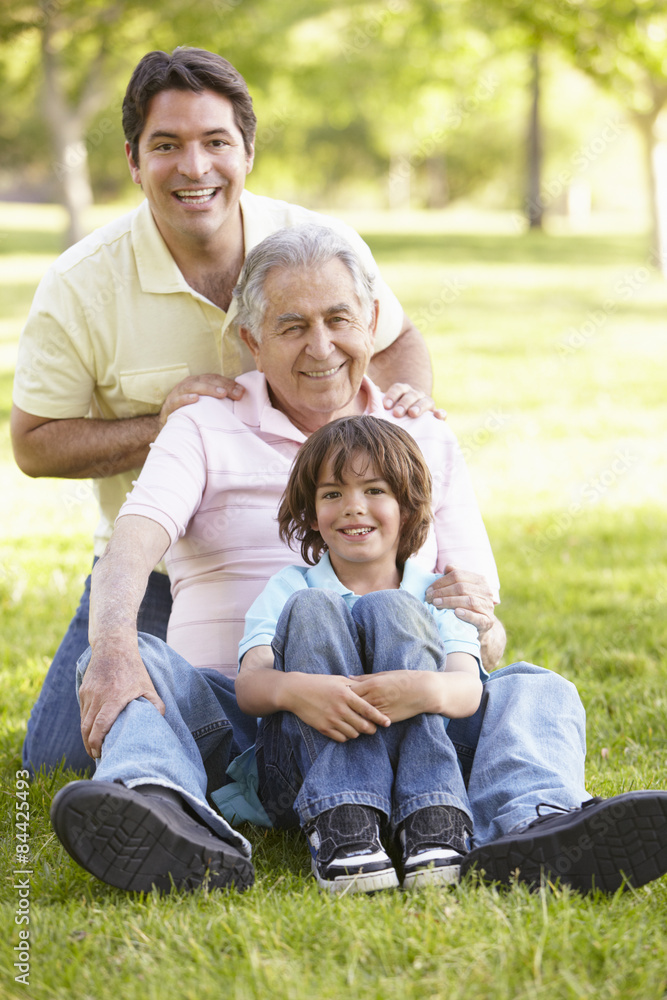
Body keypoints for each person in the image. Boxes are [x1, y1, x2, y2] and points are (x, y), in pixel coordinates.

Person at [50, 224, 667, 897]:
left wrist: (475, 631)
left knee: (536, 688)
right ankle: (164, 812)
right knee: (140, 660)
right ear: (252, 342)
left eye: (338, 319)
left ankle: (537, 824)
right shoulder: (203, 424)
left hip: (415, 722)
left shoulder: (422, 434)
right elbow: (132, 541)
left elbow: (482, 627)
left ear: (372, 323)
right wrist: (111, 645)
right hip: (252, 726)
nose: (320, 347)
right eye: (291, 326)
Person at [12, 46, 438, 775]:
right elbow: (34, 445)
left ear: (246, 151)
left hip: (334, 547)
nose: (195, 167)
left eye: (215, 142)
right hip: (164, 563)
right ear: (132, 159)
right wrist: (160, 426)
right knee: (59, 755)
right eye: (166, 145)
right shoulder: (81, 285)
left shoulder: (314, 248)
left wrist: (397, 420)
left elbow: (395, 339)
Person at [235, 414, 485, 894]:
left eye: (374, 490)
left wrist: (422, 688)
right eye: (332, 494)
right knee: (312, 607)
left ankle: (433, 821)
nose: (353, 507)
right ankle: (343, 827)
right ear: (311, 514)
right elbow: (249, 685)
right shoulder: (290, 587)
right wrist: (298, 689)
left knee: (393, 607)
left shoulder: (437, 593)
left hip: (416, 771)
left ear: (408, 509)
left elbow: (467, 687)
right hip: (302, 780)